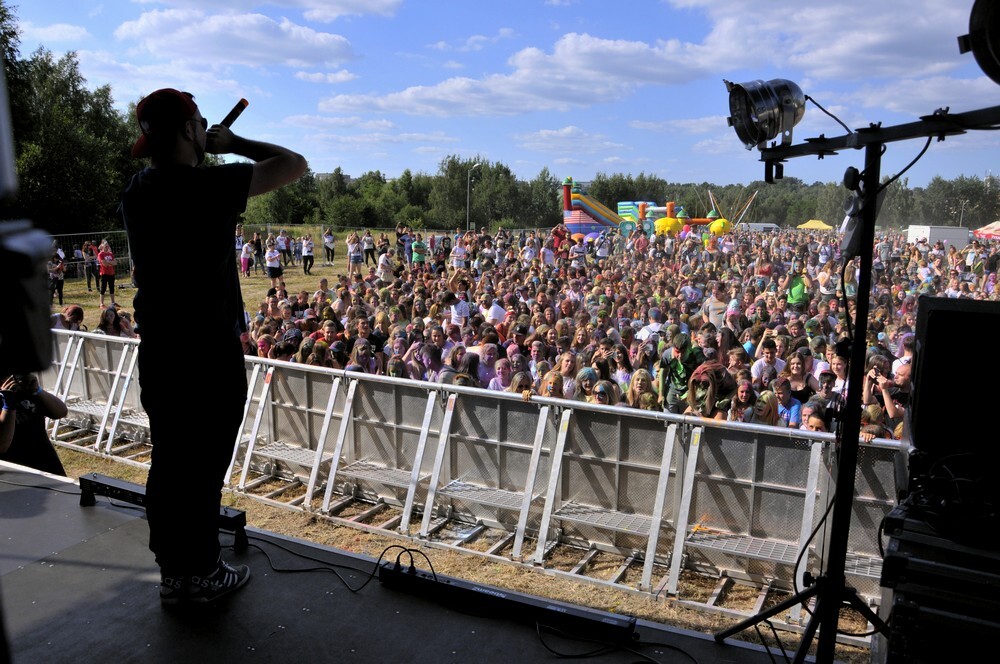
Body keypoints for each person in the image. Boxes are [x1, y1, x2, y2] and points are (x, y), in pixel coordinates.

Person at [119, 88, 306, 605]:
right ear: (188, 130)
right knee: (202, 465)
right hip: (207, 350)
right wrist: (233, 141)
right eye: (200, 123)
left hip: (160, 349)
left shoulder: (137, 192)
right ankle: (200, 572)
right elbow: (294, 163)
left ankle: (174, 571)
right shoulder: (214, 186)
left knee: (172, 459)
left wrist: (206, 142)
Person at [0, 373, 68, 476]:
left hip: (46, 465)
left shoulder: (23, 389)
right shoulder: (7, 395)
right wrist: (8, 406)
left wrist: (37, 390)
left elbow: (61, 412)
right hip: (14, 473)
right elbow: (2, 445)